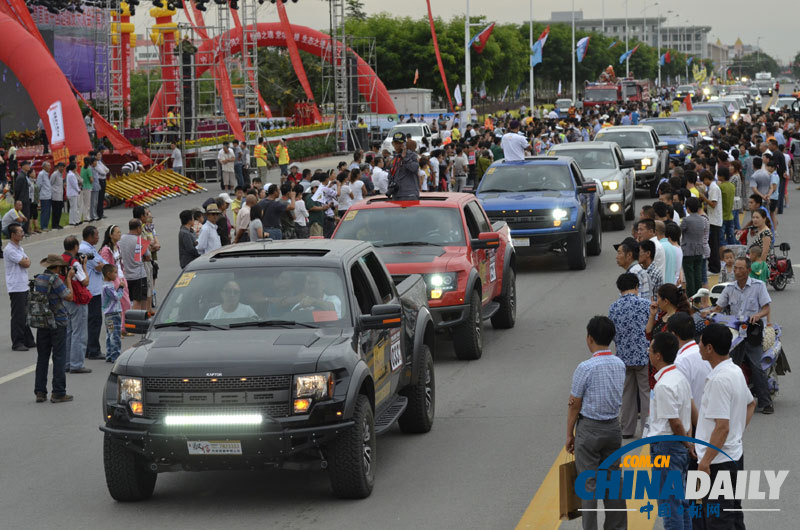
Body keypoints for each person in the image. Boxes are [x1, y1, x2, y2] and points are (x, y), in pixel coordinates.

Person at [566, 316, 627, 530]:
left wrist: (569, 434)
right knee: (613, 481)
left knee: (588, 483)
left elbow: (574, 404)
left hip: (590, 430)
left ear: (589, 338)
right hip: (613, 428)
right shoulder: (619, 364)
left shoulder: (585, 367)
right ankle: (617, 527)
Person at [695, 323, 756, 528]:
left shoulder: (719, 380)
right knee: (734, 516)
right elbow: (751, 403)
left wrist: (704, 463)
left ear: (710, 348)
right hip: (734, 456)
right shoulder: (735, 371)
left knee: (719, 520)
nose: (699, 347)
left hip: (718, 462)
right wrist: (737, 433)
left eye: (701, 343)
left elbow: (722, 427)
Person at [703, 257, 773, 414]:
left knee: (756, 366)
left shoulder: (758, 286)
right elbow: (718, 307)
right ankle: (729, 401)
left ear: (748, 270)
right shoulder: (729, 288)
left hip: (753, 333)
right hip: (734, 334)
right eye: (735, 268)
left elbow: (766, 308)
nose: (737, 271)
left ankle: (765, 402)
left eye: (741, 268)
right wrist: (709, 312)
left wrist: (757, 315)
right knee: (730, 365)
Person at [643, 332, 695, 530]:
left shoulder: (664, 385)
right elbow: (685, 415)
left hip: (666, 446)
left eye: (650, 350)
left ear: (658, 356)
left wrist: (686, 442)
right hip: (678, 447)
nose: (648, 353)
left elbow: (675, 422)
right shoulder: (679, 377)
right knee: (680, 501)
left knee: (669, 503)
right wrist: (688, 443)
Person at [608, 273, 651, 439]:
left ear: (620, 289)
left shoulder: (614, 307)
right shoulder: (645, 305)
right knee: (645, 392)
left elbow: (612, 333)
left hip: (623, 357)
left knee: (627, 394)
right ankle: (647, 429)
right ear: (636, 287)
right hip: (643, 355)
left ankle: (627, 429)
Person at [32, 254, 75, 403]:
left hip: (42, 322)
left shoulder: (39, 278)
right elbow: (69, 296)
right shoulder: (55, 279)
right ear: (57, 267)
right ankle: (58, 392)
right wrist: (69, 279)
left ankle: (40, 392)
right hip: (57, 322)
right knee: (59, 357)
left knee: (42, 357)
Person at [667, 311, 712, 409]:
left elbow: (680, 401)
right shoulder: (705, 354)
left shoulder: (680, 361)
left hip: (692, 419)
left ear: (673, 335)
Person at [61, 236, 92, 373]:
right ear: (76, 247)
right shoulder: (75, 263)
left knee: (68, 332)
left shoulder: (60, 259)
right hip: (77, 300)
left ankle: (67, 362)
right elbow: (85, 281)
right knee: (79, 332)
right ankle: (77, 364)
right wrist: (84, 265)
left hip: (64, 297)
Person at [4, 223, 35, 351]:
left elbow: (27, 261)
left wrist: (26, 261)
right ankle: (17, 342)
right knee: (18, 315)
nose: (22, 233)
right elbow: (26, 262)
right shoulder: (9, 249)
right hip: (16, 286)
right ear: (13, 235)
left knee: (25, 314)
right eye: (20, 232)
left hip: (23, 285)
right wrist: (25, 261)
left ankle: (28, 340)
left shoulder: (19, 248)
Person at [80, 225, 108, 359]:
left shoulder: (90, 248)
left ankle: (89, 348)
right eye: (96, 235)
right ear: (90, 236)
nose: (98, 237)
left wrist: (103, 265)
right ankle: (93, 350)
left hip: (95, 289)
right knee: (94, 321)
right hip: (92, 290)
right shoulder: (85, 249)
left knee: (92, 320)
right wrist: (103, 265)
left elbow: (104, 263)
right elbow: (100, 267)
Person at [99, 225, 132, 336]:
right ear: (111, 235)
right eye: (117, 232)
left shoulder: (117, 246)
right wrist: (114, 280)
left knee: (126, 304)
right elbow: (106, 267)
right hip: (115, 279)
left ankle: (123, 328)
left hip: (122, 276)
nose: (119, 234)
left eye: (120, 231)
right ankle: (121, 329)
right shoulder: (105, 250)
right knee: (122, 303)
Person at [119, 219, 151, 311]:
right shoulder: (140, 241)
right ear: (138, 228)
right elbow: (148, 257)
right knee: (139, 301)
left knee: (129, 301)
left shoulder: (122, 239)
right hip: (139, 276)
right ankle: (137, 322)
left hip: (126, 276)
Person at [681, 197, 706, 297]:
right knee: (698, 275)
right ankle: (698, 299)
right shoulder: (702, 219)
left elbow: (681, 230)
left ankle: (691, 297)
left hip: (688, 250)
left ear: (688, 208)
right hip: (699, 250)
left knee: (689, 276)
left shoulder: (686, 220)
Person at [101, 264, 124, 363]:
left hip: (108, 315)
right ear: (108, 274)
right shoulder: (108, 287)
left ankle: (109, 355)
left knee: (109, 335)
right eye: (115, 272)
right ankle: (115, 356)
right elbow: (117, 297)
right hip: (113, 314)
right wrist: (121, 288)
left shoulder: (106, 285)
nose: (116, 275)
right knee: (115, 335)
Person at [386, 134, 420, 200]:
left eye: (399, 143)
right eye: (395, 143)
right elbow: (391, 175)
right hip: (396, 194)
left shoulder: (412, 155)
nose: (397, 146)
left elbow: (414, 168)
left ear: (404, 144)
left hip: (409, 194)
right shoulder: (395, 158)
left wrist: (405, 157)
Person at [94, 150, 110, 219]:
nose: (100, 156)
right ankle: (99, 213)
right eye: (98, 155)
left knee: (102, 197)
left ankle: (101, 213)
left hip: (103, 180)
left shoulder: (100, 162)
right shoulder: (96, 163)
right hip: (99, 181)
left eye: (100, 155)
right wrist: (105, 171)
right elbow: (102, 172)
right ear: (95, 156)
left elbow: (107, 169)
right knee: (99, 198)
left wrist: (105, 171)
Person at [37, 161, 52, 231]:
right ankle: (43, 226)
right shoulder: (41, 174)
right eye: (48, 166)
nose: (50, 167)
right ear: (44, 167)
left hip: (49, 195)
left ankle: (46, 225)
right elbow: (39, 185)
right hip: (44, 196)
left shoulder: (47, 174)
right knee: (45, 211)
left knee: (48, 211)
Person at [79, 157, 93, 222]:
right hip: (88, 187)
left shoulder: (82, 168)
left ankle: (84, 216)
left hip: (83, 187)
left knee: (83, 203)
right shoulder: (89, 169)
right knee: (87, 203)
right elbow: (91, 179)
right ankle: (87, 217)